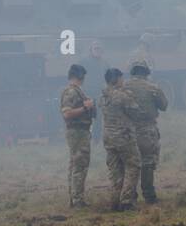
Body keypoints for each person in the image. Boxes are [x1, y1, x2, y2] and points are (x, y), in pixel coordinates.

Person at [124, 57, 168, 204]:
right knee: (148, 162)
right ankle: (149, 194)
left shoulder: (123, 87)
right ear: (146, 72)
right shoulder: (152, 87)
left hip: (128, 130)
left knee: (130, 163)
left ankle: (130, 195)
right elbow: (164, 105)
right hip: (147, 130)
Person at [100, 68, 144, 211]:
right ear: (117, 79)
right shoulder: (122, 96)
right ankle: (126, 201)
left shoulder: (103, 96)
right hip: (123, 137)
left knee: (115, 169)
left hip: (108, 138)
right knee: (133, 165)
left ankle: (114, 200)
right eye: (121, 78)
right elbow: (136, 112)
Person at [59, 64, 97, 208]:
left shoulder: (75, 91)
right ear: (79, 76)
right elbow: (67, 113)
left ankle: (74, 198)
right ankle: (77, 199)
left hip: (80, 131)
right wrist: (85, 107)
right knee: (79, 165)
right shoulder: (71, 92)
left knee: (76, 164)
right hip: (77, 132)